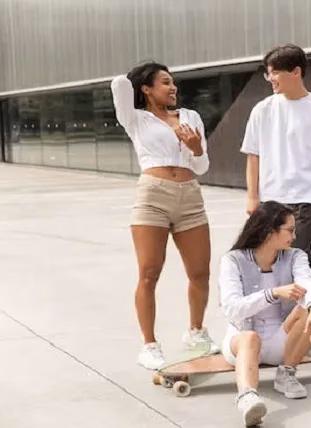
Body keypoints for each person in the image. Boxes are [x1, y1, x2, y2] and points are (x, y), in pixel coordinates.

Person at [111, 61, 219, 370]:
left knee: (200, 272)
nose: (173, 87)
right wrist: (139, 75)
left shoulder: (191, 117)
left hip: (190, 196)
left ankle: (196, 332)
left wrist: (196, 148)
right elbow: (119, 84)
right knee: (149, 273)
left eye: (173, 82)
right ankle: (149, 345)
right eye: (165, 82)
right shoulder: (135, 118)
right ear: (146, 88)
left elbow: (202, 167)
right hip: (153, 196)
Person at [219, 201, 311, 426]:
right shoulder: (233, 260)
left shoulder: (296, 256)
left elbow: (307, 282)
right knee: (250, 337)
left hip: (283, 342)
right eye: (290, 230)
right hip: (244, 343)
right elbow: (232, 308)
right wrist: (273, 293)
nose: (294, 236)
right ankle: (247, 397)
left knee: (309, 308)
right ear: (269, 231)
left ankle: (286, 372)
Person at [240, 43, 311, 268]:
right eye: (268, 74)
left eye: (275, 72)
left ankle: (300, 292)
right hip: (269, 199)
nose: (270, 78)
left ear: (296, 71)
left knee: (297, 259)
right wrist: (252, 197)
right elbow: (253, 155)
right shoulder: (262, 110)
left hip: (304, 201)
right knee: (267, 260)